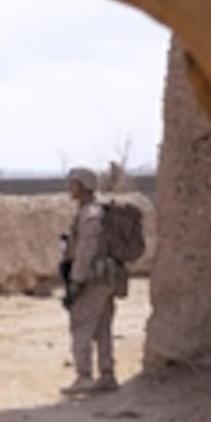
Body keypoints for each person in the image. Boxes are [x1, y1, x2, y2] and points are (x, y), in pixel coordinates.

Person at [59, 166, 120, 395]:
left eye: (73, 183)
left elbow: (86, 250)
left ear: (83, 187)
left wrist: (76, 280)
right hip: (103, 278)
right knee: (102, 327)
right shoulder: (94, 210)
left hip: (93, 279)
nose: (70, 188)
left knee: (82, 326)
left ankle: (84, 375)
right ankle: (107, 374)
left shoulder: (90, 215)